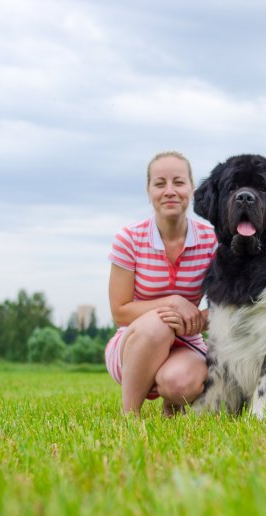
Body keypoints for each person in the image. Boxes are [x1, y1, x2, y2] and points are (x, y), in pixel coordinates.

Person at [104, 151, 217, 416]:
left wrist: (198, 320)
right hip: (135, 343)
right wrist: (173, 302)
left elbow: (227, 307)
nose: (169, 191)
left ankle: (173, 404)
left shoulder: (212, 241)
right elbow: (120, 312)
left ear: (191, 188)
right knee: (159, 323)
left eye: (178, 182)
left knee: (181, 382)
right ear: (148, 190)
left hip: (187, 343)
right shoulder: (129, 239)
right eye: (159, 183)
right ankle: (129, 416)